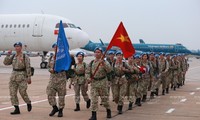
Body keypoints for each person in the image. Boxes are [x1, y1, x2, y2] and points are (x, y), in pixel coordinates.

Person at [3, 42, 32, 115]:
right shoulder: (13, 56)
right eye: (15, 46)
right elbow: (6, 63)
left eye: (18, 46)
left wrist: (29, 77)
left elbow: (28, 67)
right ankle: (16, 108)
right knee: (12, 93)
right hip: (13, 77)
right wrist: (8, 55)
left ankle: (28, 102)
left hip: (22, 77)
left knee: (22, 92)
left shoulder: (25, 56)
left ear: (21, 47)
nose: (16, 48)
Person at [85, 47, 112, 120]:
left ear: (102, 53)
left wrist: (103, 63)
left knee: (104, 100)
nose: (97, 53)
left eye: (98, 52)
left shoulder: (105, 62)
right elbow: (87, 72)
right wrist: (88, 79)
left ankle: (108, 110)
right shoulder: (91, 62)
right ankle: (94, 115)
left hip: (103, 83)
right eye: (96, 52)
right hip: (94, 83)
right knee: (94, 100)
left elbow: (109, 70)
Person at [46, 43, 67, 117]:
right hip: (53, 78)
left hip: (61, 78)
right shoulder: (51, 57)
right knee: (49, 93)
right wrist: (50, 70)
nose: (56, 48)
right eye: (54, 47)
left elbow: (66, 66)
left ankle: (60, 110)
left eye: (57, 47)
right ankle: (54, 108)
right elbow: (48, 66)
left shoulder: (63, 57)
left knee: (61, 95)